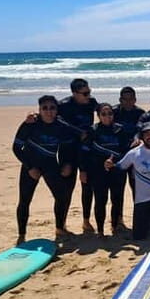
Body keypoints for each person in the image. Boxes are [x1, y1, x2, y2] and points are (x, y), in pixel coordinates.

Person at [12, 95, 76, 243]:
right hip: (30, 165)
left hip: (50, 165)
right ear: (39, 110)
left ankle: (59, 229)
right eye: (45, 108)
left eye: (52, 108)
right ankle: (21, 235)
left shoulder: (61, 126)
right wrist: (30, 167)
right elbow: (16, 148)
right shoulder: (30, 124)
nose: (49, 111)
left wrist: (67, 163)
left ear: (57, 110)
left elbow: (68, 148)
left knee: (61, 197)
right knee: (25, 200)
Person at [81, 103, 133, 237]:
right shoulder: (92, 130)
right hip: (98, 172)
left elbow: (125, 150)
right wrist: (83, 170)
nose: (107, 117)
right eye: (103, 114)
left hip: (117, 171)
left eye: (110, 113)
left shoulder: (119, 130)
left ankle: (115, 226)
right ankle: (100, 230)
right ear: (98, 116)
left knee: (117, 199)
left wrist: (114, 162)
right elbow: (85, 152)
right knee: (100, 200)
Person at [57, 78, 99, 233]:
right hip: (67, 150)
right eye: (85, 93)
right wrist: (78, 132)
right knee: (66, 188)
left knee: (87, 185)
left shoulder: (91, 102)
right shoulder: (63, 105)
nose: (88, 96)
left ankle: (86, 221)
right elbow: (56, 121)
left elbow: (104, 110)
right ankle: (60, 225)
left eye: (89, 92)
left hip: (85, 150)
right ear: (74, 93)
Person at [113, 86, 145, 215]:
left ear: (135, 99)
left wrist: (138, 138)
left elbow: (142, 130)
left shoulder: (140, 113)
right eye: (124, 99)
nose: (127, 102)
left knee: (136, 187)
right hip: (118, 154)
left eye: (130, 99)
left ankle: (140, 215)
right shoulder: (114, 112)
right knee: (118, 188)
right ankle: (118, 218)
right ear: (120, 100)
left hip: (135, 155)